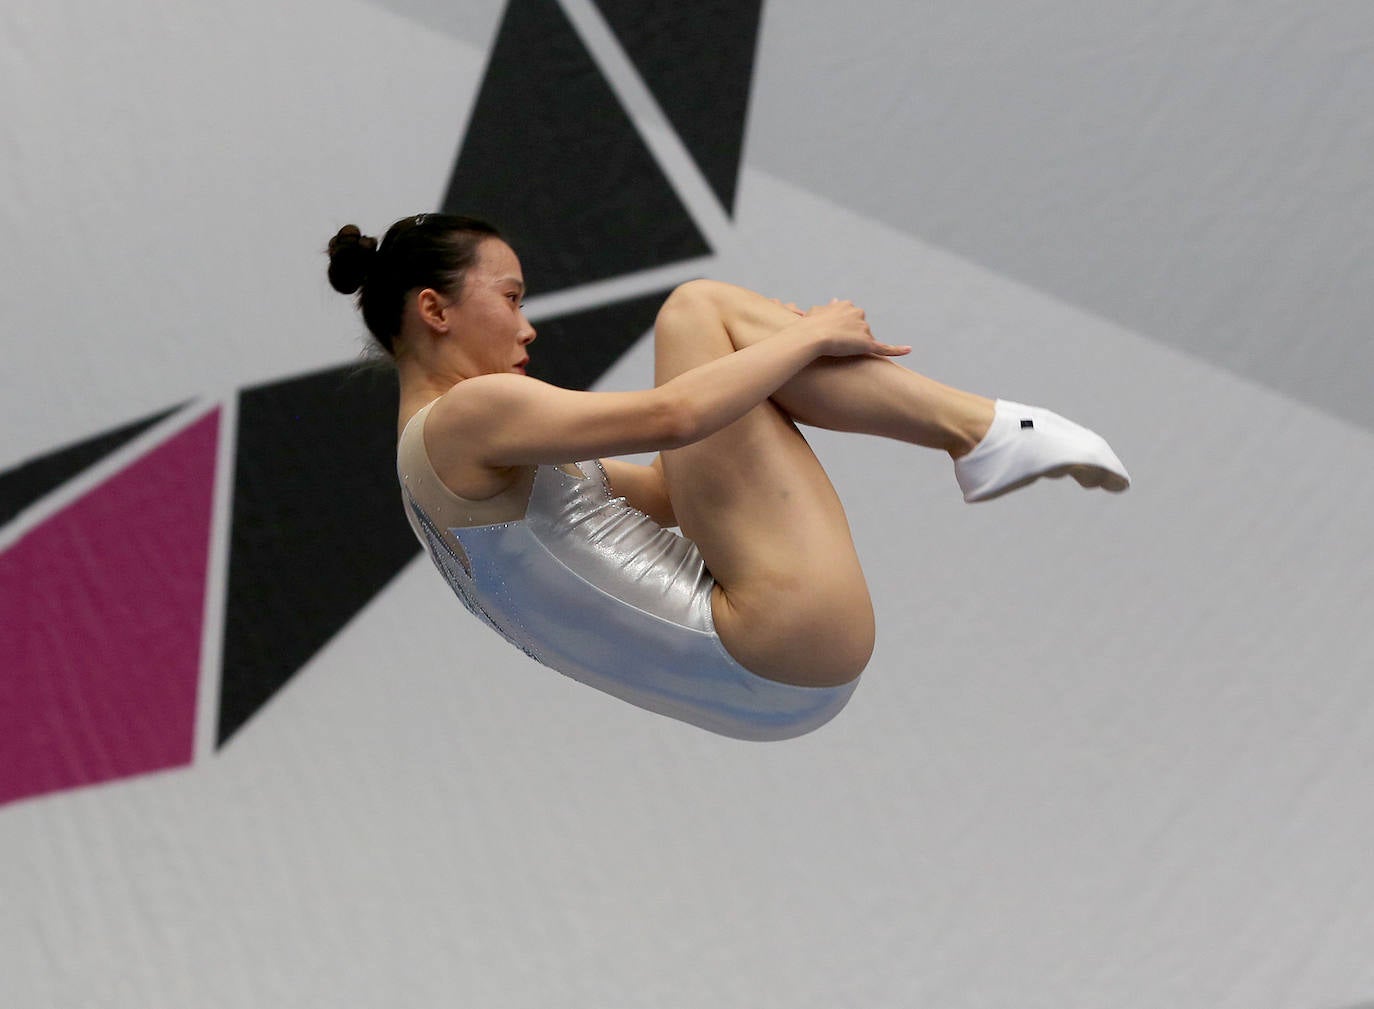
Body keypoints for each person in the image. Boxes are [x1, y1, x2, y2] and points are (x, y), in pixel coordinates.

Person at [327, 213, 1129, 741]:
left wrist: (756, 352)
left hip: (769, 695)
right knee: (694, 305)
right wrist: (807, 334)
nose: (528, 324)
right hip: (781, 635)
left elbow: (680, 493)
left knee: (718, 330)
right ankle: (980, 428)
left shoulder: (431, 468)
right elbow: (677, 417)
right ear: (435, 310)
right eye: (510, 297)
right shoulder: (470, 416)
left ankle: (982, 433)